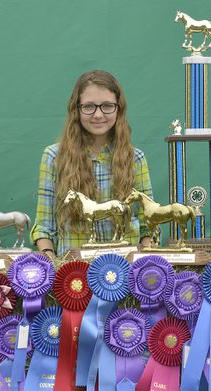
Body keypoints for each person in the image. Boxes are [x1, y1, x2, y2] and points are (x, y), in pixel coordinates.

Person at [30, 70, 155, 258]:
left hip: (126, 274)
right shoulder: (53, 157)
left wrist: (143, 261)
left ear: (118, 109)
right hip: (72, 278)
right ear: (76, 109)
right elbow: (44, 227)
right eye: (89, 107)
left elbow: (148, 227)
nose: (98, 114)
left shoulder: (135, 158)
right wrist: (52, 262)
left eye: (106, 106)